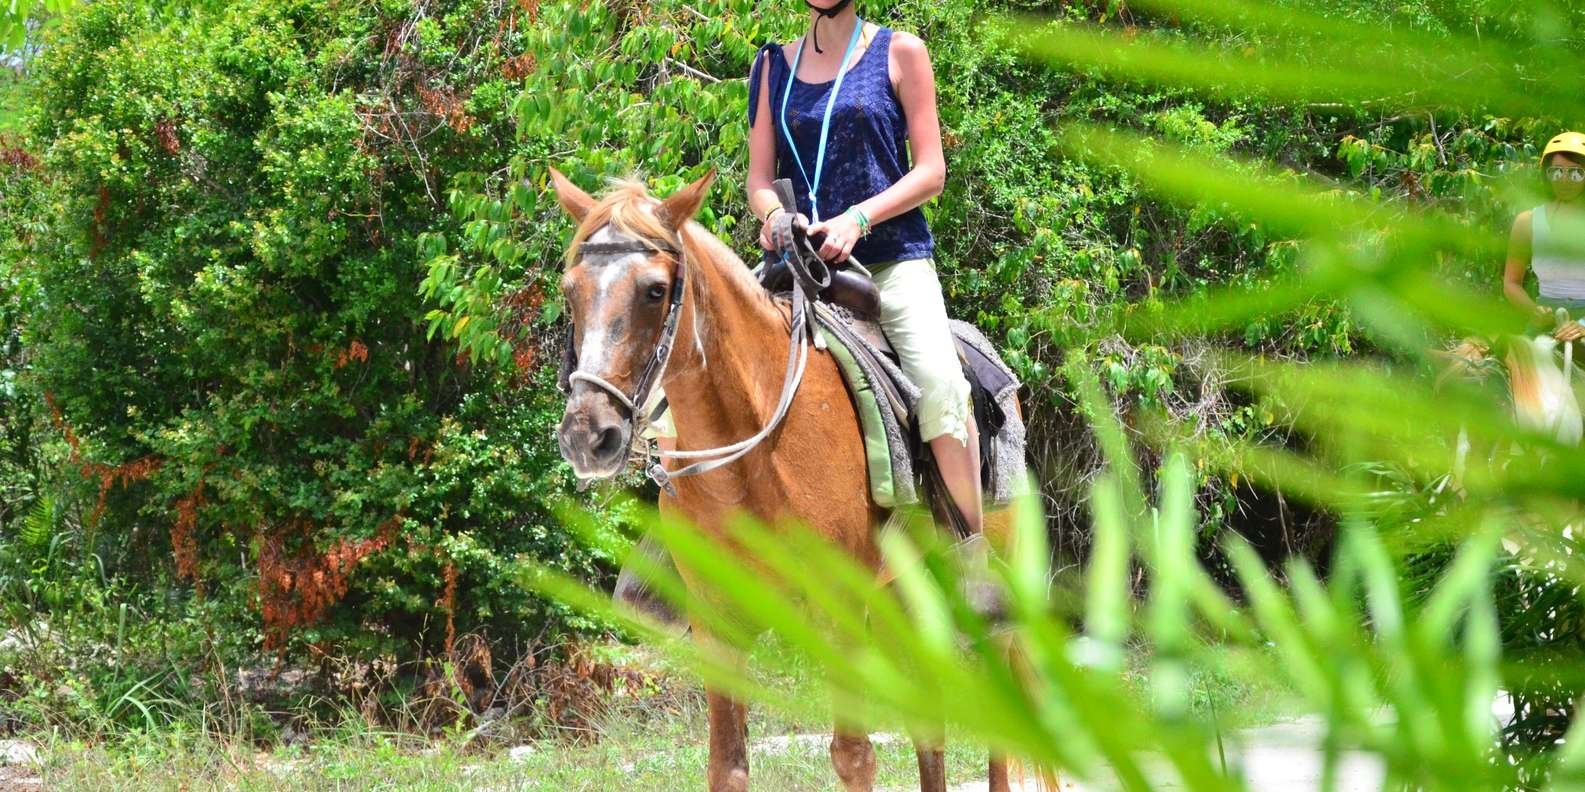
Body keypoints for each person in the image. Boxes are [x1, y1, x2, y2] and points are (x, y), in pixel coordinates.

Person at [1503, 131, 1585, 340]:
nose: (1565, 180)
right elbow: (1511, 283)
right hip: (1545, 320)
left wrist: (1583, 325)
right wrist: (1534, 311)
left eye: (1576, 173)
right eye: (1556, 172)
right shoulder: (1527, 221)